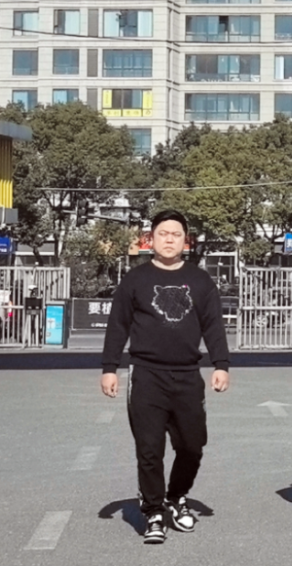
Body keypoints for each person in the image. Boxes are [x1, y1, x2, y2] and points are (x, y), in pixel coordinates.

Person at [100, 210, 230, 545]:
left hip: (187, 375)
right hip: (146, 374)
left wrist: (221, 364)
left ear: (186, 240)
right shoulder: (135, 280)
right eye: (162, 233)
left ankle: (176, 495)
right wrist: (109, 368)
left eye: (176, 234)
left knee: (192, 445)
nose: (169, 239)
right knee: (149, 448)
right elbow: (118, 325)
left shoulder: (201, 281)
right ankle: (154, 511)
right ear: (151, 239)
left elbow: (214, 326)